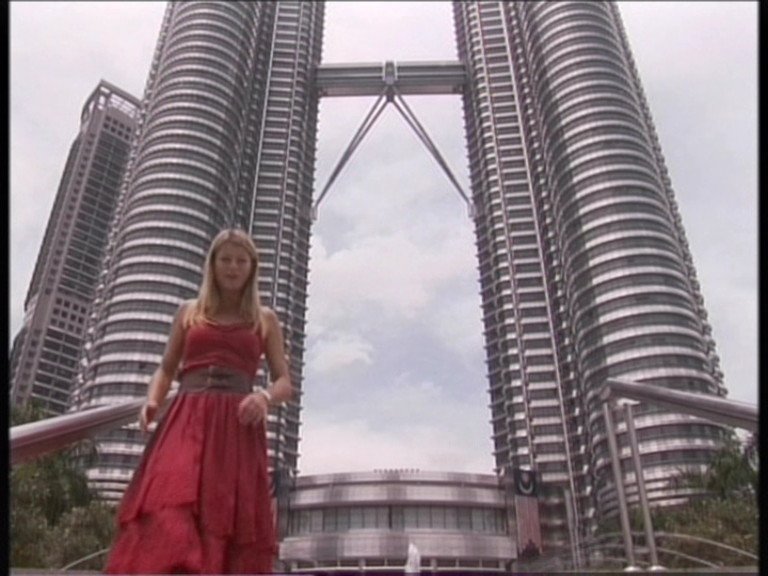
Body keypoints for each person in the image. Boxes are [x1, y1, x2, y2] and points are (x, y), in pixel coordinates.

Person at [105, 228, 294, 574]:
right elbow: (166, 368)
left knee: (222, 512)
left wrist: (264, 397)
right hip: (186, 418)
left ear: (252, 268)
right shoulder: (189, 312)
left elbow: (284, 381)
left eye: (241, 261)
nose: (233, 267)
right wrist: (152, 400)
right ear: (213, 264)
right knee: (167, 498)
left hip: (237, 425)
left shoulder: (265, 319)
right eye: (226, 260)